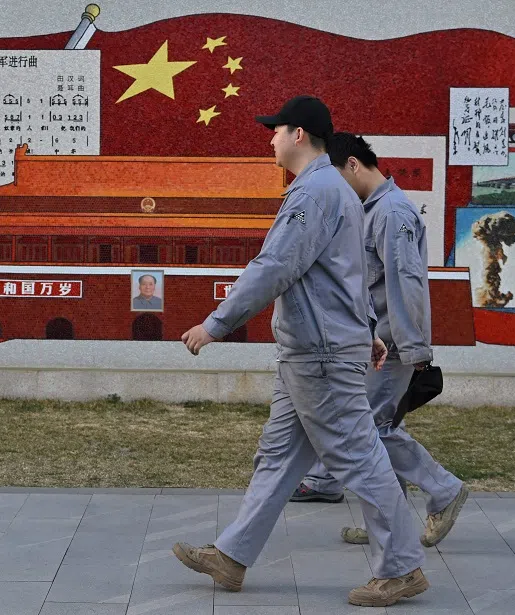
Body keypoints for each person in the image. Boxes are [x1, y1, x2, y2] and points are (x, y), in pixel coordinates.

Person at [173, 96, 428, 608]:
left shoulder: (313, 193)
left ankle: (401, 568)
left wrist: (215, 323)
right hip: (315, 349)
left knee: (358, 457)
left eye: (275, 130)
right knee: (279, 459)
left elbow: (275, 267)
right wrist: (369, 329)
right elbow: (351, 273)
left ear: (298, 135)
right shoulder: (337, 191)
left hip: (319, 353)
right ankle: (232, 556)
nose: (269, 138)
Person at [292, 133, 469, 545]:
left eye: (335, 176)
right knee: (374, 431)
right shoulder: (372, 210)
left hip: (391, 346)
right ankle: (391, 524)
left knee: (370, 432)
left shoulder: (392, 213)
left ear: (353, 164)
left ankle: (443, 490)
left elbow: (406, 284)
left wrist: (415, 350)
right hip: (377, 343)